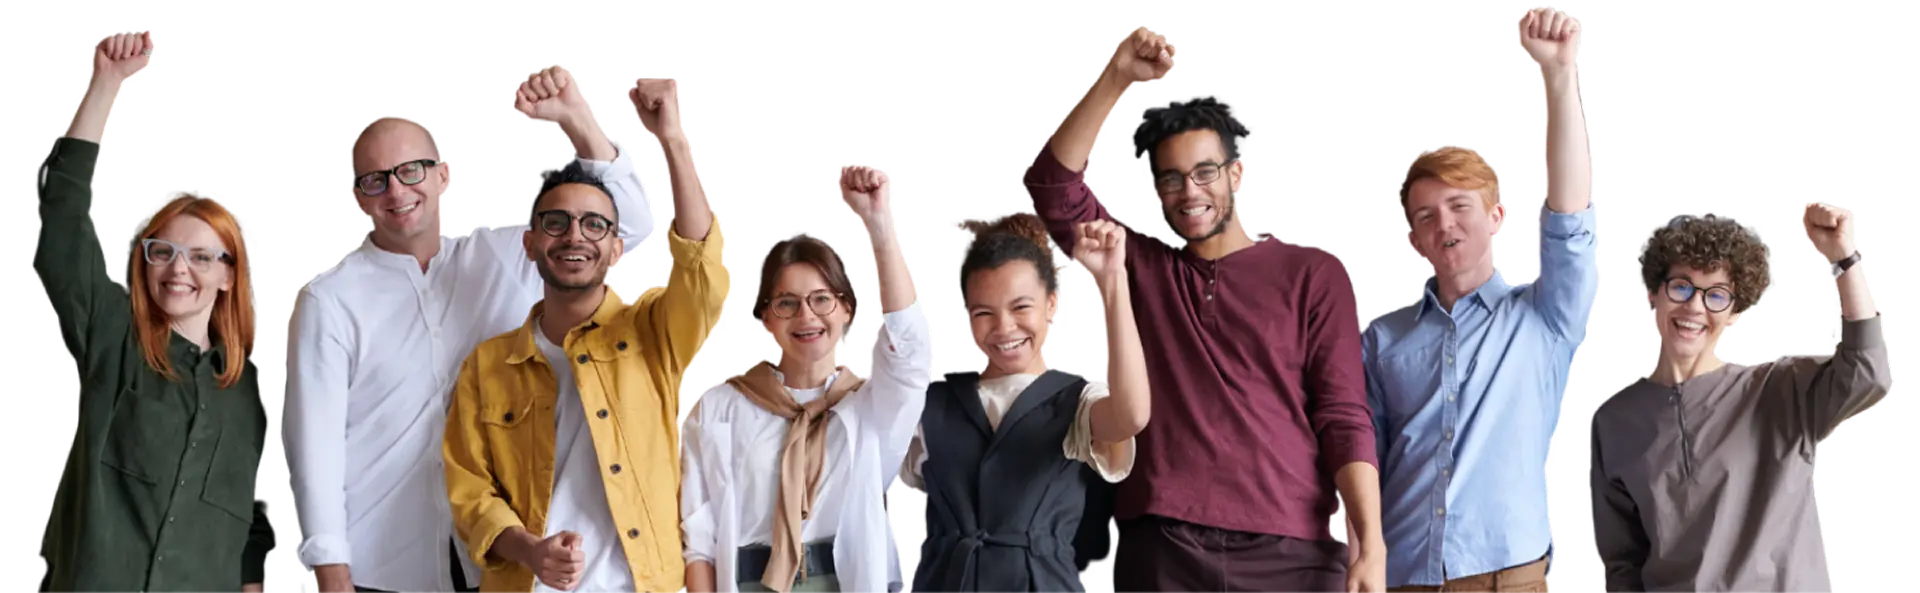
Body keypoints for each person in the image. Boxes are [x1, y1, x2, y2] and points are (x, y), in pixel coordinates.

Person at [1024, 26, 1383, 593]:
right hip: (1165, 546)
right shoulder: (1137, 263)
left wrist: (1372, 542)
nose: (1189, 192)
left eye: (1205, 172)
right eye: (1171, 179)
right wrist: (1115, 79)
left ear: (1238, 175)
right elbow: (1053, 186)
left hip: (1291, 548)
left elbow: (1343, 415)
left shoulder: (1313, 273)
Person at [284, 65, 655, 593]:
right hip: (382, 568)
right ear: (358, 197)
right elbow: (312, 445)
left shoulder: (511, 254)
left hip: (507, 563)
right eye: (376, 179)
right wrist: (331, 573)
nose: (397, 190)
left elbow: (630, 227)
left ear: (445, 175)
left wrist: (578, 121)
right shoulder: (330, 299)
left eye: (413, 169)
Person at [441, 76, 726, 593]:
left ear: (617, 249)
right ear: (530, 244)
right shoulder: (486, 366)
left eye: (595, 225)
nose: (575, 235)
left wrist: (674, 140)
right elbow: (469, 492)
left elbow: (702, 272)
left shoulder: (654, 332)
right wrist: (530, 550)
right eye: (557, 223)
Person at [1365, 10, 1597, 593]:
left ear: (1497, 217)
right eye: (1426, 216)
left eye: (1460, 207)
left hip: (1506, 576)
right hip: (1402, 576)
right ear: (1414, 238)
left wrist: (1561, 77)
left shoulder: (1544, 316)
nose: (1445, 225)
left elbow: (1569, 220)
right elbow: (1362, 459)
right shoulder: (1379, 339)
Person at [36, 29, 274, 593]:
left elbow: (255, 514)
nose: (177, 269)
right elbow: (63, 226)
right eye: (160, 251)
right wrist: (106, 86)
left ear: (228, 274)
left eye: (199, 256)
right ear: (142, 263)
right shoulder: (113, 339)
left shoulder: (252, 384)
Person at [1588, 204, 1888, 592]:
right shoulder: (1614, 420)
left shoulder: (1780, 390)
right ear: (1653, 295)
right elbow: (1622, 561)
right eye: (1681, 286)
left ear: (1734, 313)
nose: (1694, 306)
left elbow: (1868, 371)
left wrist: (1844, 259)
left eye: (1716, 295)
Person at [680, 164, 934, 593]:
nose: (806, 316)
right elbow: (697, 537)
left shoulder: (871, 406)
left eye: (821, 299)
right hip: (747, 582)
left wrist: (880, 225)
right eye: (787, 303)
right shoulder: (722, 405)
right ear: (765, 319)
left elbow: (910, 352)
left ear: (847, 311)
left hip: (845, 581)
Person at [900, 211, 1149, 592]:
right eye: (984, 313)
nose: (1004, 328)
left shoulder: (1077, 401)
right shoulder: (931, 403)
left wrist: (1112, 280)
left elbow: (1131, 415)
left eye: (1021, 307)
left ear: (1052, 303)